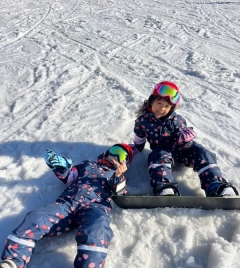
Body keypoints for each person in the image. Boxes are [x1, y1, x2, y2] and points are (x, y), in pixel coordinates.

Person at [0, 144, 133, 268]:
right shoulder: (88, 165)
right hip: (67, 204)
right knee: (36, 217)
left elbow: (120, 193)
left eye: (121, 155)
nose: (115, 157)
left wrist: (119, 175)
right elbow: (70, 176)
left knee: (97, 231)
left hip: (95, 208)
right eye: (114, 151)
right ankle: (13, 260)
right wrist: (60, 166)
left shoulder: (116, 176)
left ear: (125, 163)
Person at [131, 80, 239, 197]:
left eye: (167, 106)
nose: (162, 108)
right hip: (163, 150)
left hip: (183, 150)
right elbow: (139, 136)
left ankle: (217, 186)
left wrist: (185, 139)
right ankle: (164, 187)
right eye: (159, 103)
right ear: (151, 102)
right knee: (157, 157)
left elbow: (183, 137)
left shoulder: (177, 120)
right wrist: (136, 148)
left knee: (203, 153)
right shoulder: (142, 121)